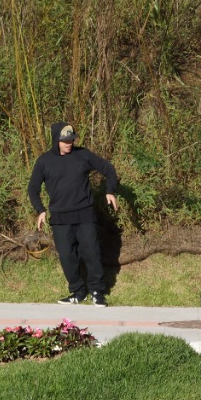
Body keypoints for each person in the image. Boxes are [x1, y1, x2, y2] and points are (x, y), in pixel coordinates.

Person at [27, 121, 119, 307]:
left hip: (84, 214)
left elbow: (109, 169)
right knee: (67, 256)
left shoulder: (83, 155)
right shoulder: (44, 161)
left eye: (72, 140)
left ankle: (97, 291)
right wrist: (41, 210)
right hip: (60, 218)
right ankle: (77, 292)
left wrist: (110, 190)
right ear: (56, 140)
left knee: (91, 252)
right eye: (65, 140)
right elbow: (33, 189)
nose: (69, 143)